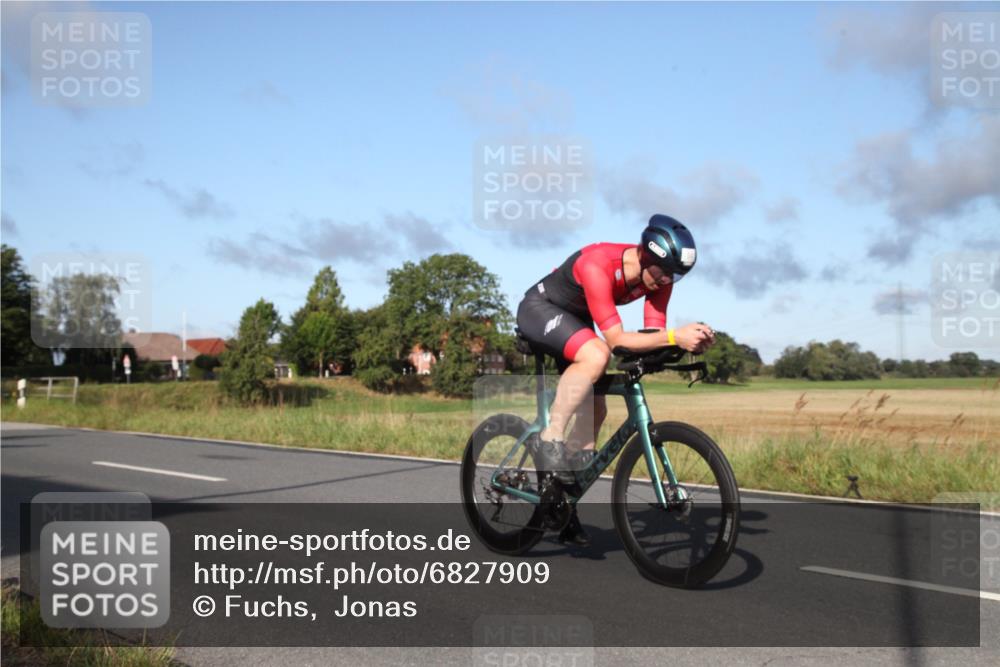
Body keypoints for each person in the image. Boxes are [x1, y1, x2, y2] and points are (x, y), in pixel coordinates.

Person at [515, 214, 716, 546]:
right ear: (645, 255)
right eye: (663, 271)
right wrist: (674, 336)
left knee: (596, 410)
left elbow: (653, 337)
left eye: (675, 276)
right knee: (596, 355)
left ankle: (565, 505)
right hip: (541, 309)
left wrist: (685, 343)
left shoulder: (660, 281)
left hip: (576, 318)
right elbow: (617, 341)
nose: (667, 280)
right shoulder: (599, 264)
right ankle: (550, 438)